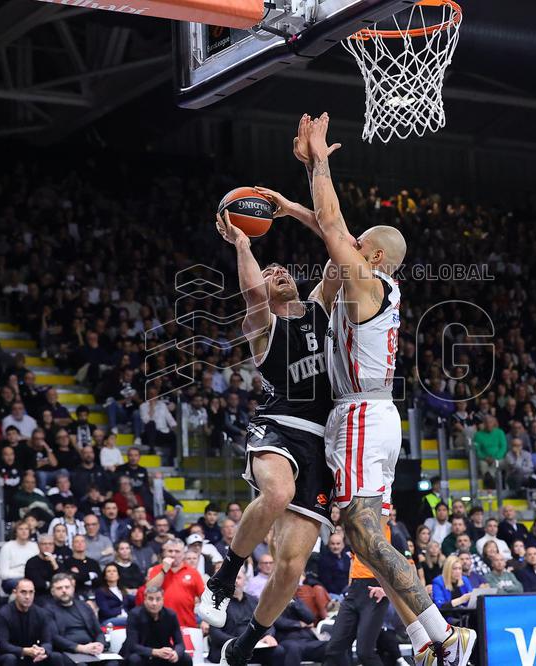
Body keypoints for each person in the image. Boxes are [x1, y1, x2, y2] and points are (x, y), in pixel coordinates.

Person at [301, 114, 474, 665]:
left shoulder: (369, 283)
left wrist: (322, 164)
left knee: (369, 538)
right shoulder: (368, 285)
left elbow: (332, 230)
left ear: (372, 257)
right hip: (366, 414)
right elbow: (330, 231)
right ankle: (428, 639)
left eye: (358, 245)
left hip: (361, 416)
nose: (348, 246)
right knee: (360, 538)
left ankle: (446, 634)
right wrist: (290, 201)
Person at [198, 147, 338, 666]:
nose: (277, 271)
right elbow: (254, 294)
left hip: (324, 440)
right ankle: (224, 577)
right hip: (279, 426)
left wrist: (290, 204)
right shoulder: (263, 327)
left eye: (283, 268)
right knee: (275, 493)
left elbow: (339, 243)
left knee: (291, 567)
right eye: (270, 268)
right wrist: (241, 241)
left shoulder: (323, 309)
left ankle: (246, 642)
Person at [322, 524, 394, 666]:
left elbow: (407, 565)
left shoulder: (389, 529)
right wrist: (351, 586)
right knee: (333, 649)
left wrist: (387, 590)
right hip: (354, 590)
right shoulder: (357, 527)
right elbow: (353, 559)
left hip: (376, 590)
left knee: (364, 653)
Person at [208, 570, 285, 666]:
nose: (235, 581)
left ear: (245, 580)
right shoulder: (217, 603)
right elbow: (214, 633)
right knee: (237, 657)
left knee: (278, 651)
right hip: (228, 648)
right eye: (232, 579)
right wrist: (238, 642)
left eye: (239, 578)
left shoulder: (255, 601)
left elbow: (268, 623)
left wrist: (268, 635)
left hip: (253, 648)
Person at [139, 538, 202, 629]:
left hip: (186, 624)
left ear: (183, 554)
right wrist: (164, 571)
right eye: (170, 551)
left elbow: (204, 598)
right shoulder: (156, 569)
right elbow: (149, 590)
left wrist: (205, 620)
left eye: (177, 551)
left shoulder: (193, 572)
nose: (173, 554)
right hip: (158, 625)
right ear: (164, 553)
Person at [47, 573, 112, 663]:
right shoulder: (47, 610)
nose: (64, 590)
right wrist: (81, 648)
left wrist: (99, 645)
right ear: (52, 591)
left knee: (114, 663)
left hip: (92, 650)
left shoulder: (84, 606)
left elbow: (99, 632)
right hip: (69, 652)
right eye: (59, 588)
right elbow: (55, 638)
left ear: (73, 589)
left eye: (67, 587)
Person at [0, 579, 56, 666]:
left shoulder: (41, 613)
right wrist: (24, 651)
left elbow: (47, 641)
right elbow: (3, 645)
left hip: (31, 654)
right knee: (10, 658)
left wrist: (43, 650)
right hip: (6, 654)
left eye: (31, 592)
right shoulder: (3, 614)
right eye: (23, 592)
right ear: (15, 593)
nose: (27, 596)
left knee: (55, 657)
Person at [122, 587, 192, 666]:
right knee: (134, 659)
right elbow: (132, 646)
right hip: (143, 654)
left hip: (163, 654)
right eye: (150, 599)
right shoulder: (134, 615)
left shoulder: (171, 615)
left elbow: (180, 643)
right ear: (145, 599)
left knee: (186, 658)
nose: (154, 603)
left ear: (163, 600)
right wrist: (155, 652)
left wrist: (176, 653)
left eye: (158, 599)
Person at [0, 521, 40, 593]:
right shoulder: (7, 547)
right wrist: (25, 574)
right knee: (23, 586)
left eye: (26, 529)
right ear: (15, 532)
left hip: (31, 578)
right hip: (12, 580)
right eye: (21, 529)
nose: (24, 531)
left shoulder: (34, 546)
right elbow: (3, 574)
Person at [25, 533, 62, 598]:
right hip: (38, 596)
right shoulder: (31, 562)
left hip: (57, 596)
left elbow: (63, 580)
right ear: (39, 546)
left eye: (50, 544)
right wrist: (55, 586)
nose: (47, 546)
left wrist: (55, 565)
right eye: (44, 544)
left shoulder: (57, 562)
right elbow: (39, 584)